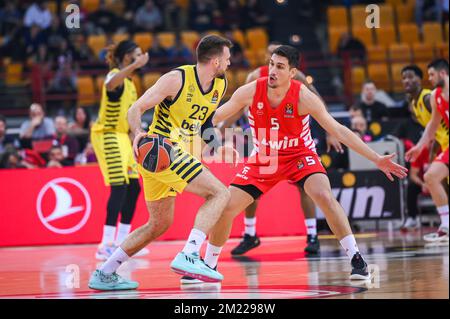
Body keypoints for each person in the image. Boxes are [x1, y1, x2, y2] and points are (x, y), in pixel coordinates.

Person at [205, 45, 407, 282]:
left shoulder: (303, 96)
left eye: (280, 67)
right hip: (265, 158)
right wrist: (188, 127)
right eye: (271, 64)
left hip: (299, 155)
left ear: (292, 73)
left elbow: (339, 130)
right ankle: (208, 265)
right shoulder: (250, 90)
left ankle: (357, 260)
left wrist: (376, 158)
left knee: (323, 194)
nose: (272, 71)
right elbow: (214, 116)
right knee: (226, 206)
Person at [88, 35, 237, 290]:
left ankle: (105, 272)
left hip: (167, 156)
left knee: (158, 224)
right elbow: (135, 109)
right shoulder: (175, 79)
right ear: (214, 61)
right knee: (219, 193)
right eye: (226, 58)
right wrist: (137, 134)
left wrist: (217, 146)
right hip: (162, 148)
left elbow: (206, 124)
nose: (230, 62)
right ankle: (190, 253)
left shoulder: (219, 85)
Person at [219, 42, 343, 257]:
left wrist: (331, 131)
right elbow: (239, 105)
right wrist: (224, 126)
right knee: (251, 190)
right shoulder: (255, 78)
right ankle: (250, 234)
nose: (274, 67)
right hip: (265, 139)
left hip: (293, 136)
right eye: (270, 59)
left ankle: (312, 235)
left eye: (279, 63)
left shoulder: (298, 77)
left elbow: (315, 99)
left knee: (306, 187)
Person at [89, 40, 149, 261]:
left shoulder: (132, 84)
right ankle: (105, 243)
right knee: (119, 186)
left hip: (124, 136)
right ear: (127, 57)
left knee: (133, 188)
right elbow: (109, 84)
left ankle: (124, 242)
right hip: (108, 134)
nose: (143, 56)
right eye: (138, 53)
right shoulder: (116, 75)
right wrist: (134, 66)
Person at [400, 64, 449, 230]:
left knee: (435, 179)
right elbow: (433, 131)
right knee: (435, 179)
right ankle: (446, 225)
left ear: (420, 80)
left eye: (410, 77)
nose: (406, 81)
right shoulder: (414, 105)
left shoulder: (429, 98)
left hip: (445, 144)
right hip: (443, 145)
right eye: (404, 78)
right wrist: (425, 152)